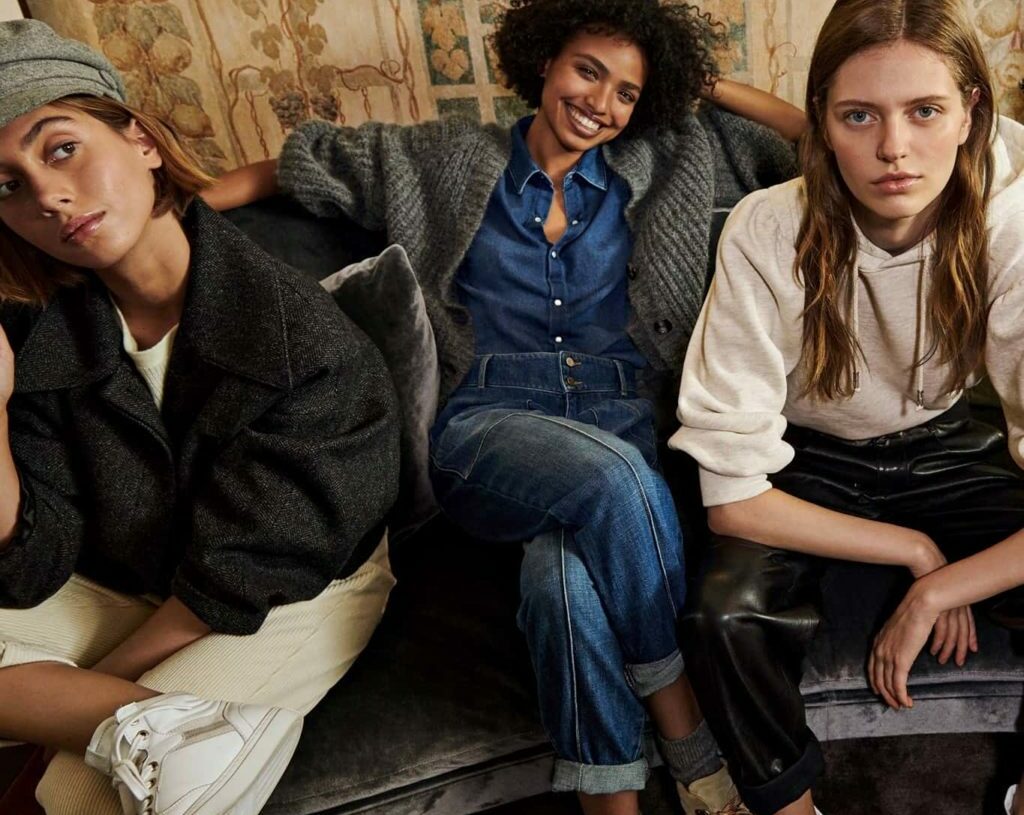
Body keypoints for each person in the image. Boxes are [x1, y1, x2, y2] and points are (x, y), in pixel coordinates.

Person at [207, 2, 800, 813]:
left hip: (622, 412)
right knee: (617, 480)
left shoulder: (674, 156)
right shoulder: (450, 156)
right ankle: (685, 728)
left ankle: (611, 804)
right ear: (545, 60)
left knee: (562, 584)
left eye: (628, 91)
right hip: (489, 421)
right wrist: (178, 209)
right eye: (588, 70)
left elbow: (814, 141)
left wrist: (702, 83)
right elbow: (301, 164)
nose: (601, 102)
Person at [0, 19, 400, 815]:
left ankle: (151, 738)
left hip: (288, 594)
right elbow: (33, 561)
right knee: (128, 764)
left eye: (62, 148)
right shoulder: (41, 333)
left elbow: (230, 584)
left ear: (142, 140)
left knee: (78, 792)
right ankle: (159, 735)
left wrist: (72, 699)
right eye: (5, 186)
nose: (47, 195)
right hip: (134, 577)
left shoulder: (307, 348)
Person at [670, 0, 1024, 813]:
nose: (894, 149)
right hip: (813, 456)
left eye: (925, 111)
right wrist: (916, 551)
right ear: (823, 123)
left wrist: (940, 588)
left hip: (949, 443)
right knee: (719, 618)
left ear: (970, 113)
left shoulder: (1012, 221)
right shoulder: (768, 229)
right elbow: (733, 499)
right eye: (859, 116)